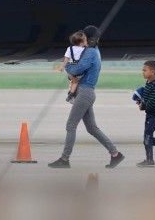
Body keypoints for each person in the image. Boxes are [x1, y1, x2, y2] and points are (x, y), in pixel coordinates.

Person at [48, 25, 125, 169]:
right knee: (92, 128)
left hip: (84, 92)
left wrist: (67, 69)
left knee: (71, 125)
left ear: (88, 39)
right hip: (86, 91)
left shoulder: (89, 52)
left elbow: (77, 69)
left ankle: (65, 159)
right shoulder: (94, 50)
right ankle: (115, 154)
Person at [58, 31, 87, 103]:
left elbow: (66, 58)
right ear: (81, 43)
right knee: (76, 82)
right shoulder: (84, 49)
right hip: (78, 69)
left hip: (69, 68)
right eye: (86, 40)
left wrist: (63, 66)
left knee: (72, 81)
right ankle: (70, 95)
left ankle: (70, 94)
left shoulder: (69, 48)